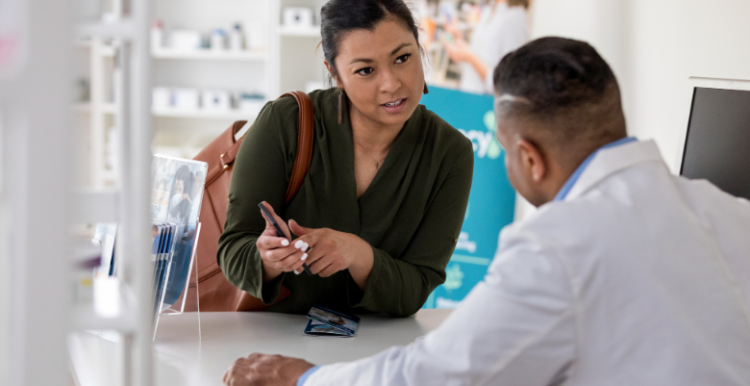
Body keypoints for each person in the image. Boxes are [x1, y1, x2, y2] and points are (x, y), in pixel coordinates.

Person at [221, 37, 750, 385]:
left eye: (403, 58)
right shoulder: (730, 212)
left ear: (528, 159)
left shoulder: (557, 244)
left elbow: (438, 375)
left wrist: (303, 378)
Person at [218, 0, 474, 316]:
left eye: (403, 58)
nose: (392, 84)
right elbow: (233, 252)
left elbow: (417, 287)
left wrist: (358, 255)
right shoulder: (285, 123)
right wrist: (268, 260)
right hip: (273, 347)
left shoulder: (450, 152)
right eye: (365, 70)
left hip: (378, 355)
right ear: (334, 73)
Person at [444, 0, 529, 94]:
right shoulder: (489, 10)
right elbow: (474, 67)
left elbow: (507, 83)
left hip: (486, 103)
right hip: (468, 96)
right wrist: (458, 40)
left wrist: (471, 58)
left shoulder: (515, 19)